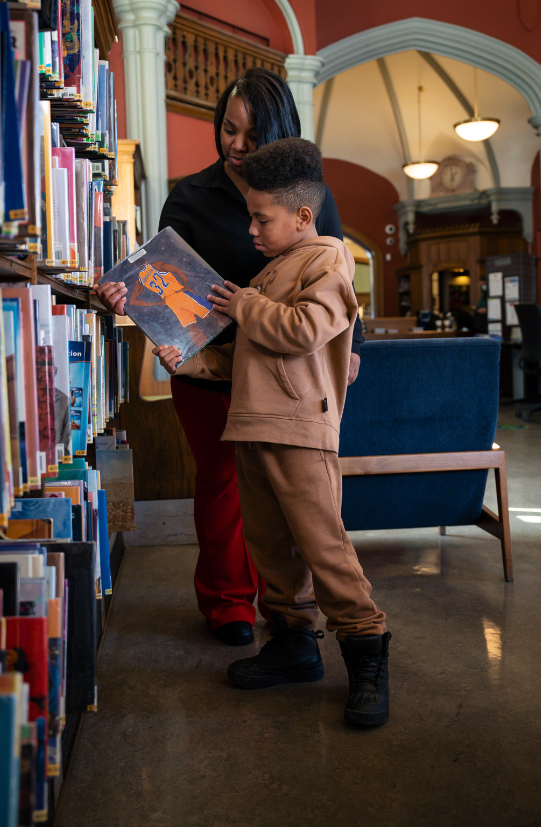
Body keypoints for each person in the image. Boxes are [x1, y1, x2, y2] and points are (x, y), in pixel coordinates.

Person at [94, 68, 364, 647]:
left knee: (285, 495)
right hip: (207, 364)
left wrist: (353, 352)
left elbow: (335, 276)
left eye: (251, 133)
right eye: (227, 130)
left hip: (287, 369)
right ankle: (228, 604)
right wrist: (125, 295)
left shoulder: (310, 197)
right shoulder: (190, 195)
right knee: (220, 484)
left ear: (280, 132)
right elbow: (158, 275)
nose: (237, 146)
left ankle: (288, 616)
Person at [153, 138, 390, 726]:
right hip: (253, 425)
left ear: (303, 217)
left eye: (262, 218)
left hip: (301, 429)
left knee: (323, 548)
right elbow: (244, 359)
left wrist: (244, 306)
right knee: (271, 551)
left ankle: (367, 653)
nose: (252, 228)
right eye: (251, 215)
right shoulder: (269, 270)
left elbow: (303, 330)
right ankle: (293, 646)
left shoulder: (330, 260)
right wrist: (185, 360)